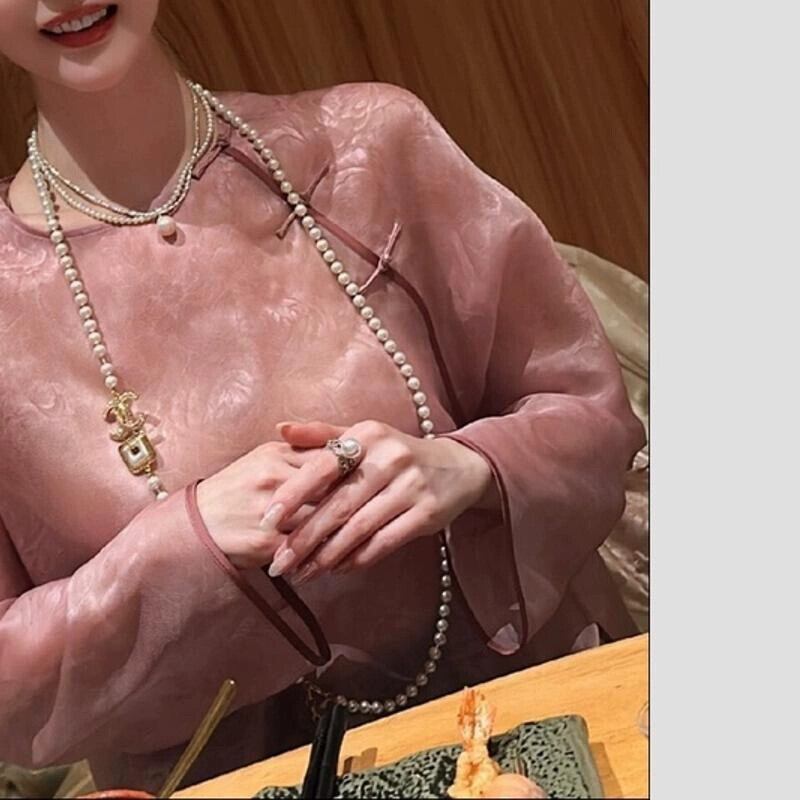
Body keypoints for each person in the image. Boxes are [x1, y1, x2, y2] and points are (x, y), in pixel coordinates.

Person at [0, 0, 646, 793]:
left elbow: (591, 413)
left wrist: (467, 466)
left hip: (526, 732)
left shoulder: (368, 147)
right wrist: (183, 545)